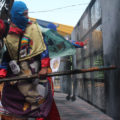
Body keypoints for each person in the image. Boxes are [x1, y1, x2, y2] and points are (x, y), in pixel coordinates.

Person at [0, 1, 60, 120]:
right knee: (10, 110)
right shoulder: (8, 33)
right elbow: (7, 56)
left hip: (35, 75)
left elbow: (43, 49)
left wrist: (43, 67)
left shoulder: (34, 29)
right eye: (24, 14)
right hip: (15, 80)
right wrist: (2, 72)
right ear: (16, 15)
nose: (27, 17)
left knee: (42, 108)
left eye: (28, 13)